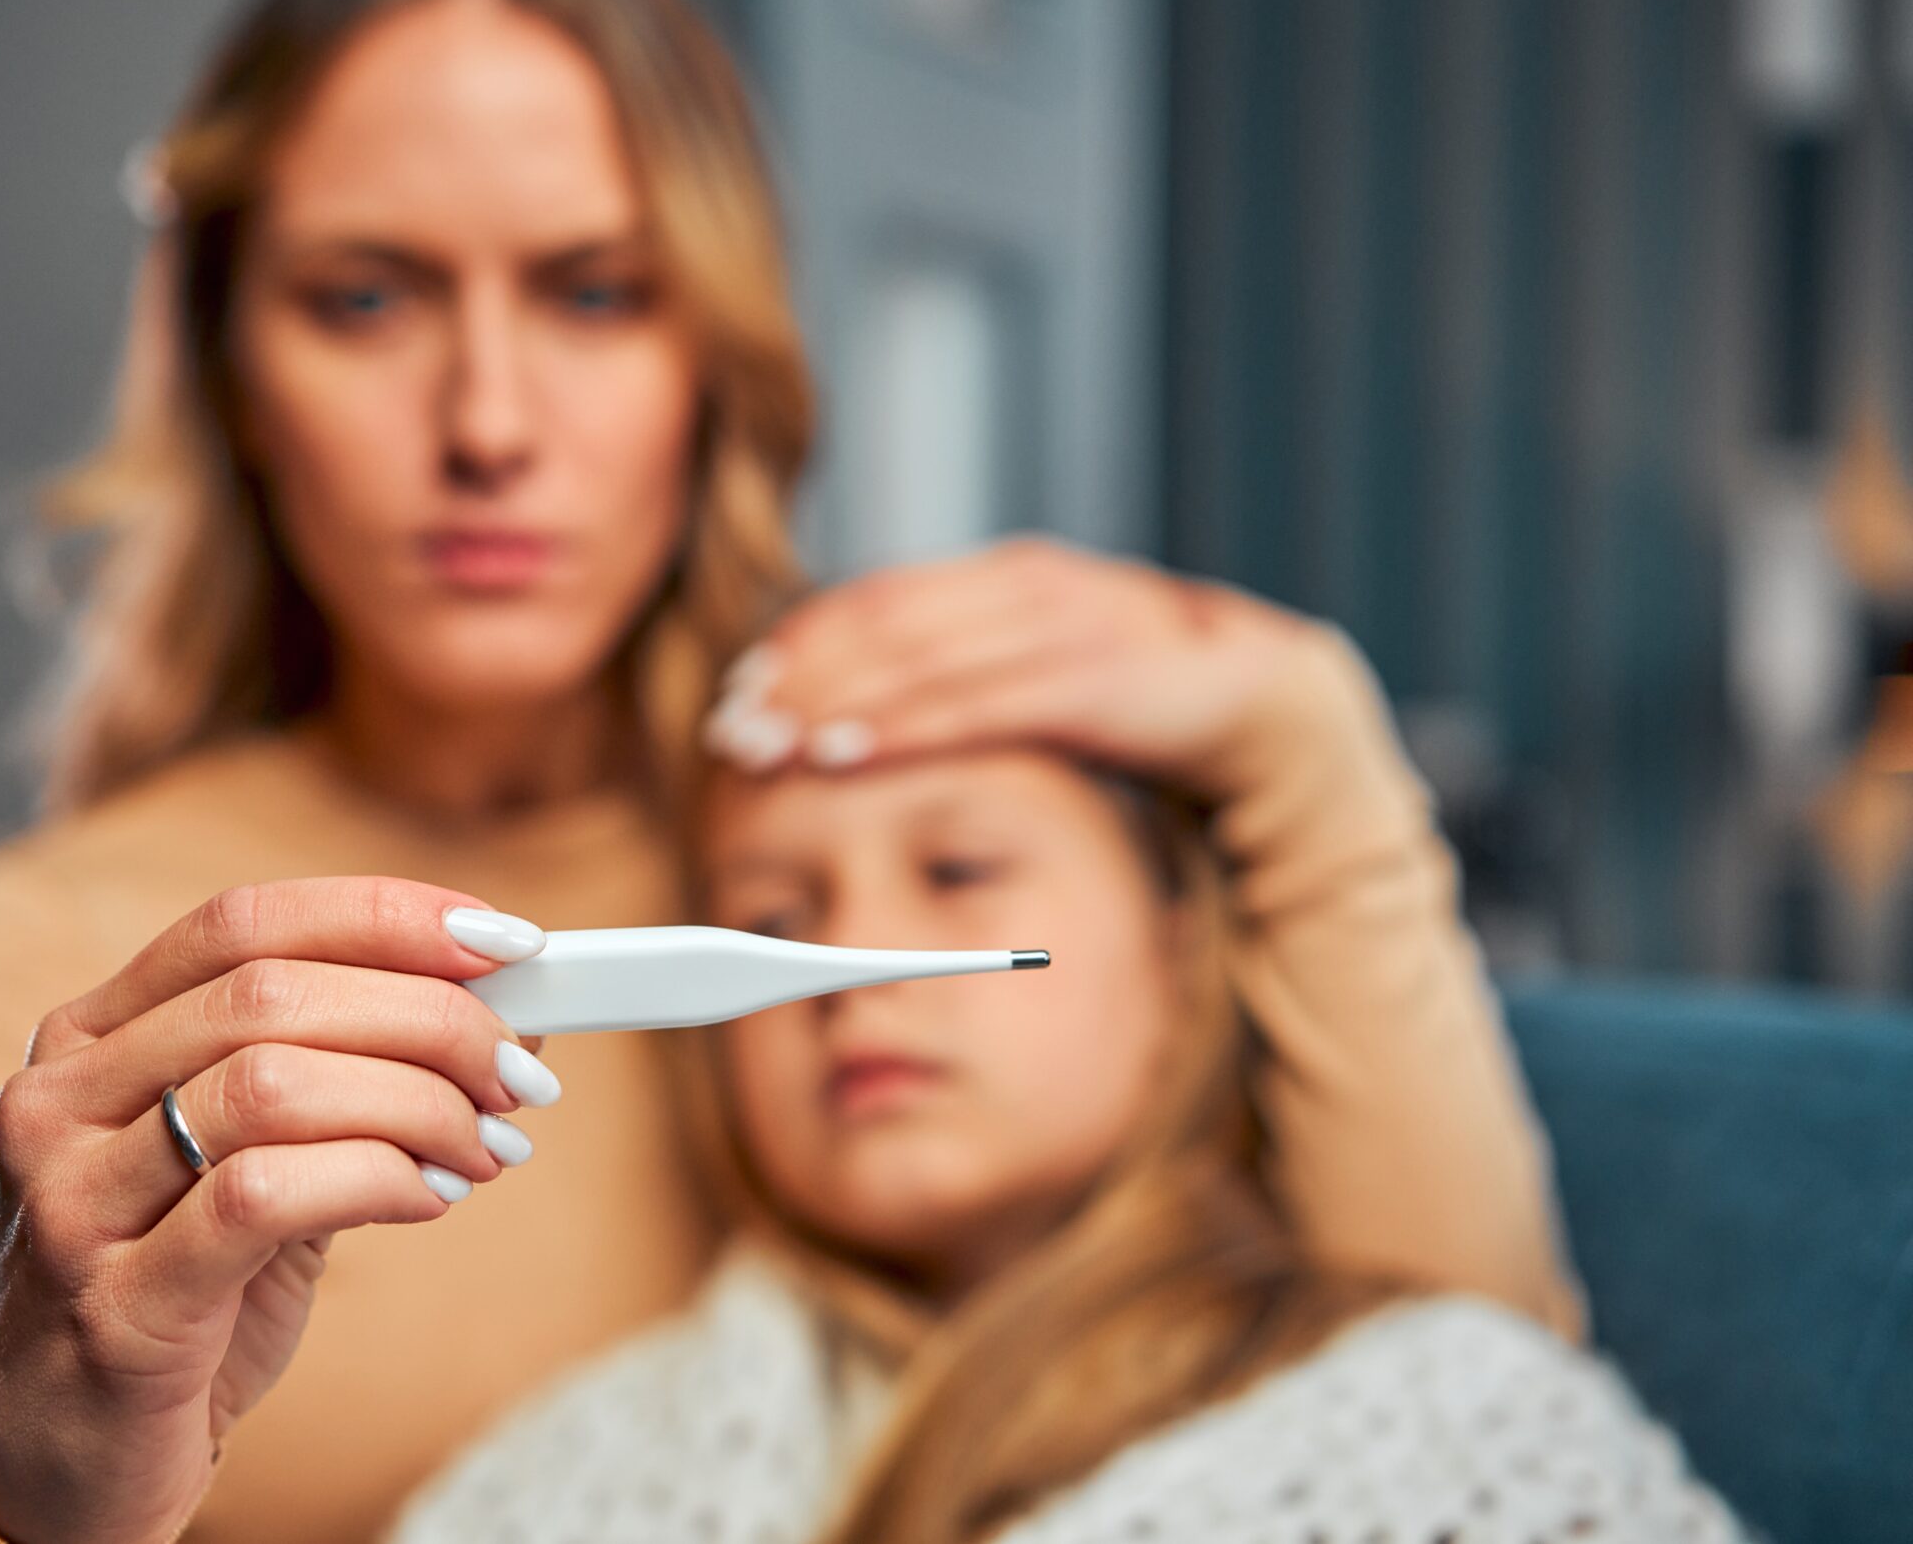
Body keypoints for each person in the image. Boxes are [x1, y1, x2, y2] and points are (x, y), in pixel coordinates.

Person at [0, 0, 1578, 1544]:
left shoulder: (887, 831)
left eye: (592, 291)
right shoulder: (36, 1000)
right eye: (364, 297)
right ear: (235, 370)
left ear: (713, 358)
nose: (488, 420)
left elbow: (1460, 1424)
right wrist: (29, 1477)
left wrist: (1304, 739)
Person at [392, 626, 1738, 1542]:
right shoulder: (571, 1473)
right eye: (776, 922)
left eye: (961, 872)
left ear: (1179, 956)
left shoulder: (1456, 1412)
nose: (856, 978)